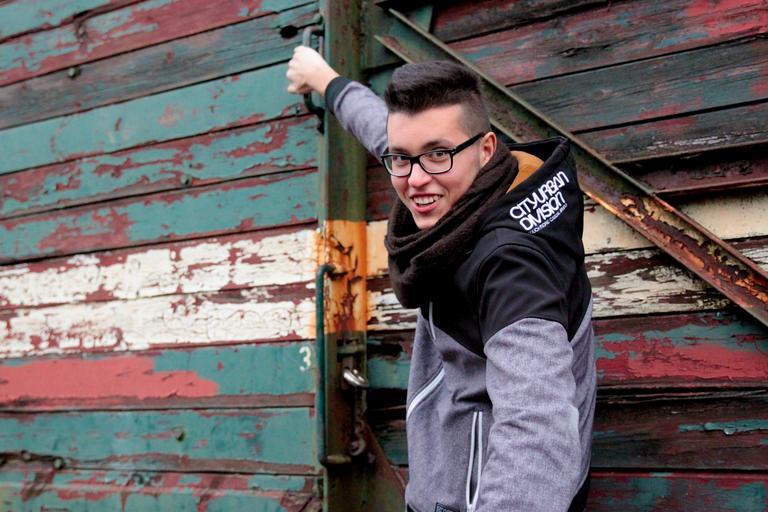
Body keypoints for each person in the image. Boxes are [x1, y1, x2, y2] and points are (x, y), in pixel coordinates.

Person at [287, 46, 596, 512]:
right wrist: (325, 80)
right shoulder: (483, 190)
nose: (415, 180)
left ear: (485, 149)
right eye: (401, 158)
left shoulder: (511, 266)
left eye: (436, 155)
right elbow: (387, 134)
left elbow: (538, 428)